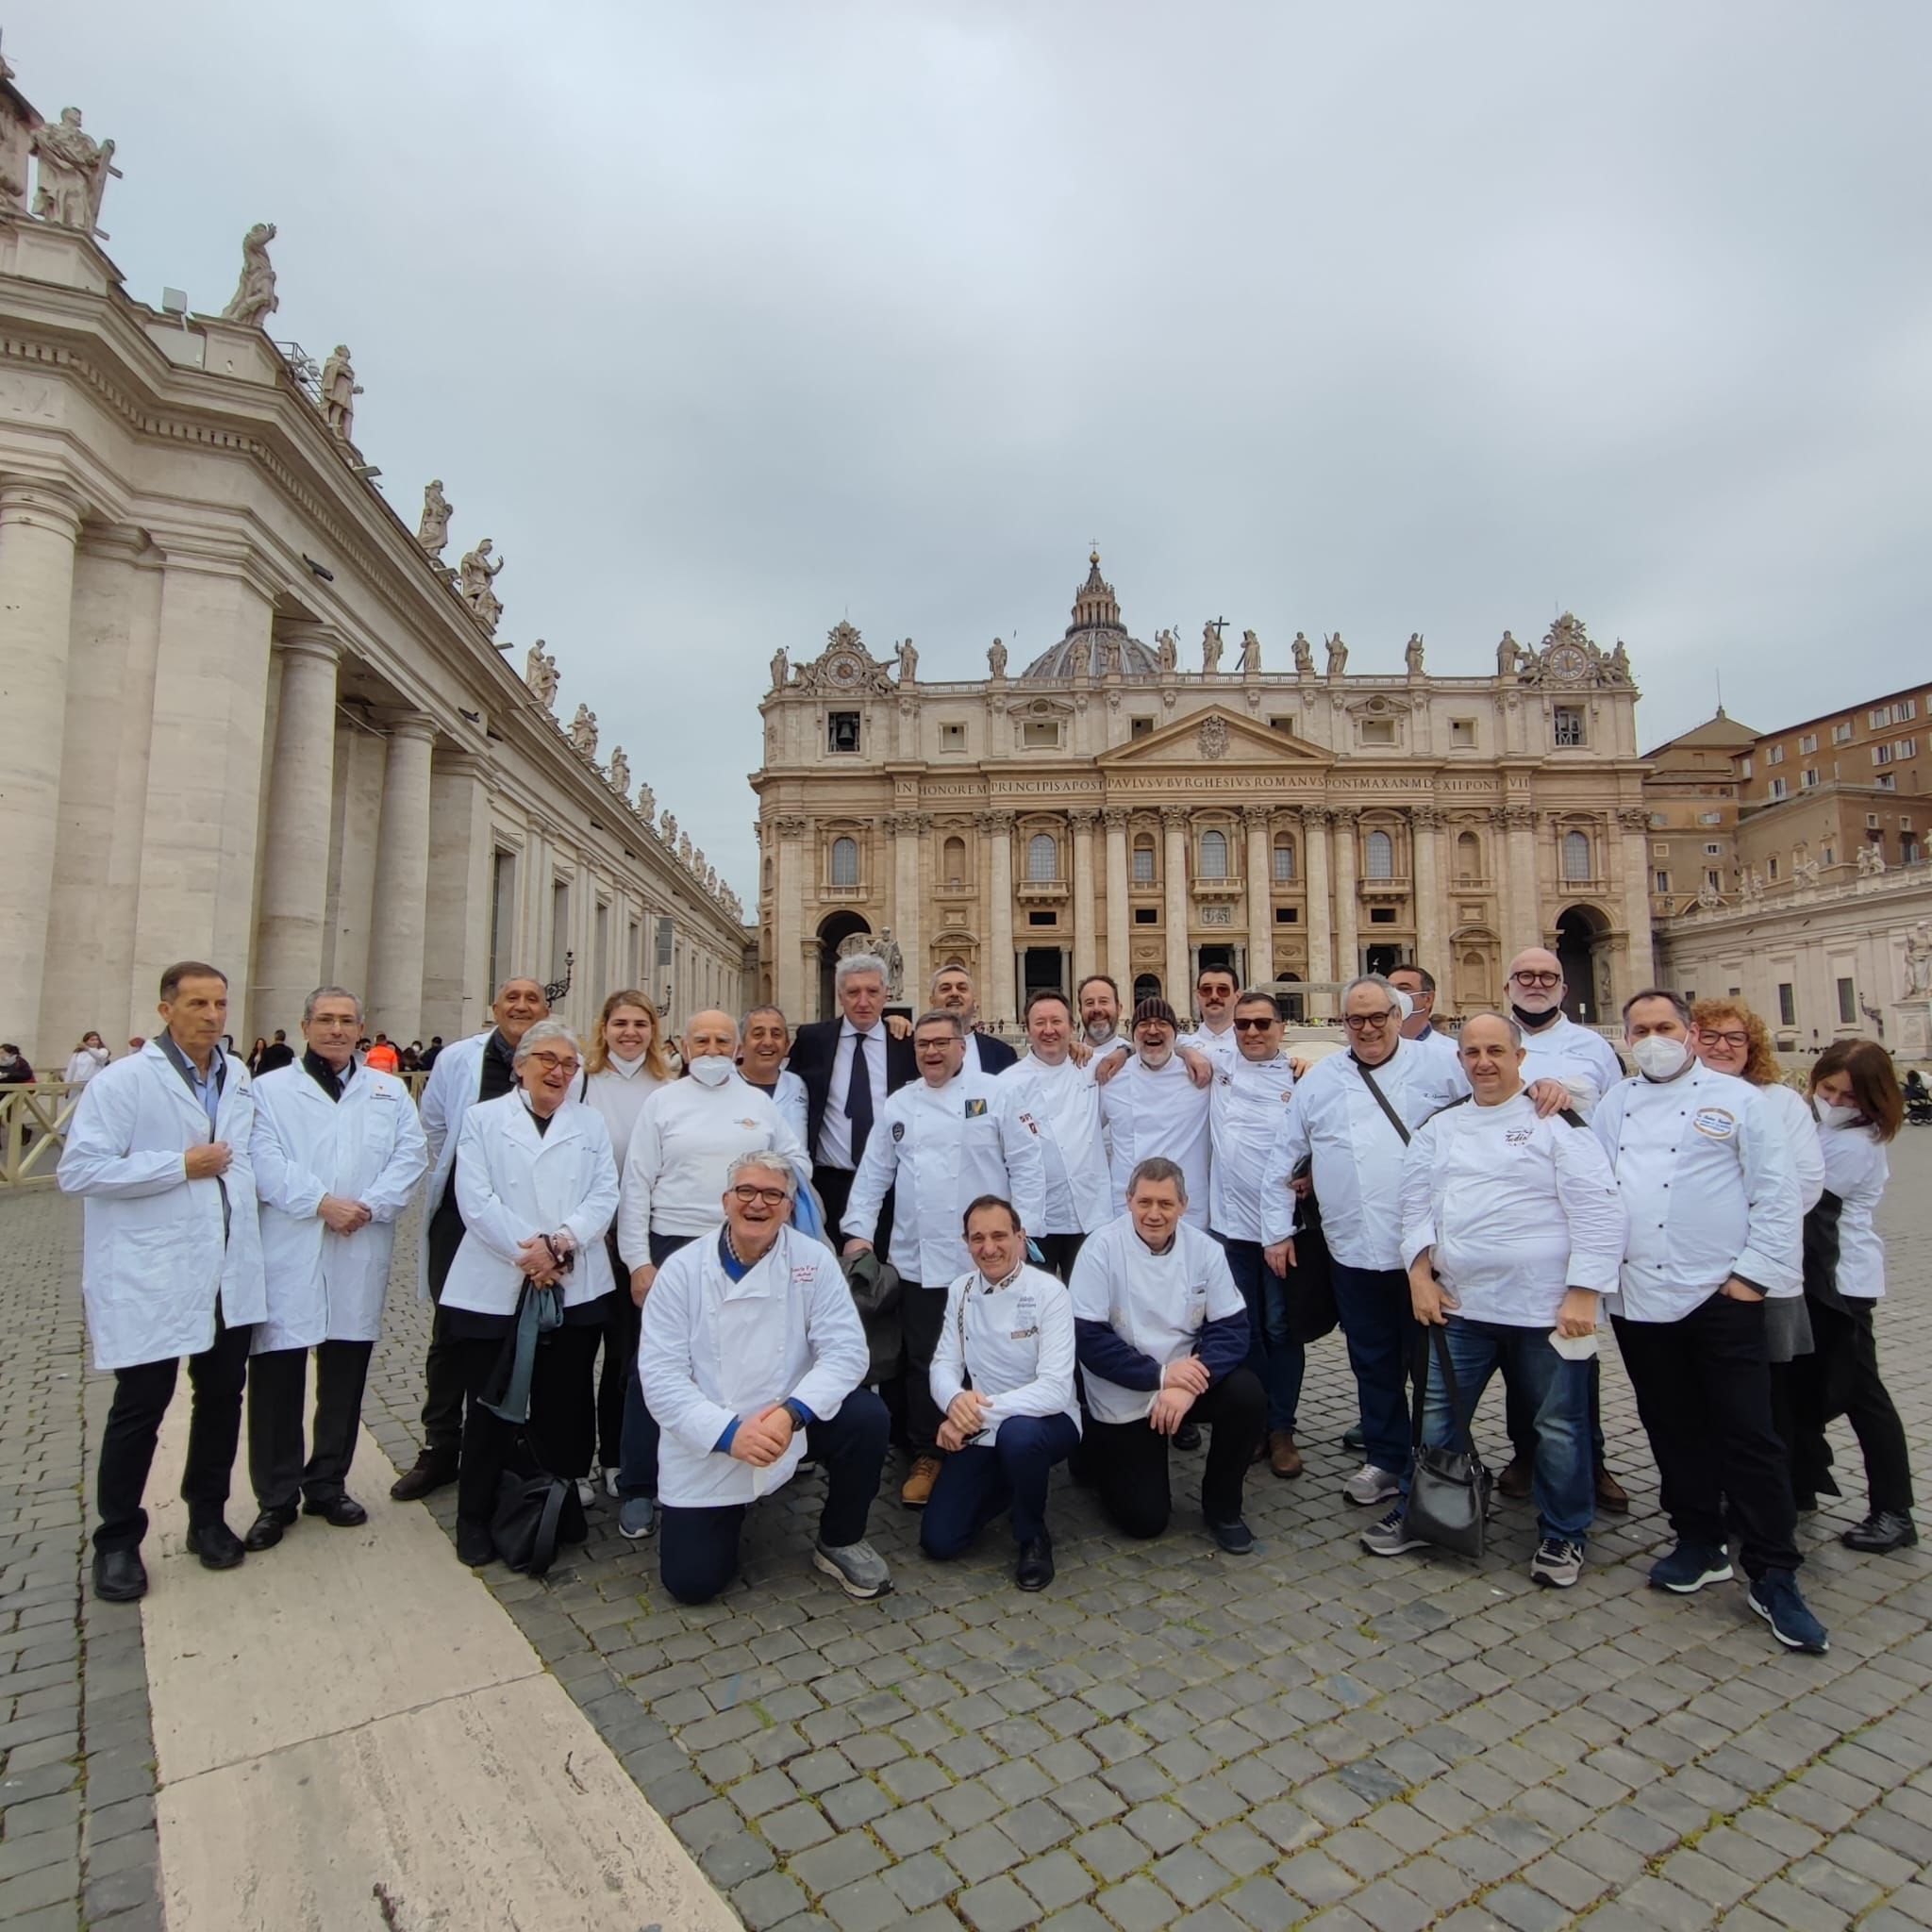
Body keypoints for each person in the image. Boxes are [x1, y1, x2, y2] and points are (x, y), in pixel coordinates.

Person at [1593, 991, 1827, 1653]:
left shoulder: (1741, 1101)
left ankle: (1774, 1571)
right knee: (1671, 1424)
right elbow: (1598, 1190)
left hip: (1720, 1295)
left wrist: (1752, 1277)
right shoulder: (1616, 1103)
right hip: (1639, 1295)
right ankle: (1697, 1538)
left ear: (1691, 1033)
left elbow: (1777, 1194)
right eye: (1640, 1030)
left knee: (1749, 1435)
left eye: (1664, 1026)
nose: (1652, 1038)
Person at [1368, 1013, 1625, 1587]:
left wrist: (1584, 1294)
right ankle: (1430, 1511)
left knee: (1558, 1426)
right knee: (1436, 1417)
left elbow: (1599, 1209)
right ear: (1459, 1059)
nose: (1484, 1063)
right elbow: (1415, 1205)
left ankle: (1564, 1532)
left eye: (1495, 1052)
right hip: (1461, 1306)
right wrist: (1418, 1274)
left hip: (1547, 1309)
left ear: (1520, 1058)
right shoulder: (1442, 1126)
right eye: (1472, 1053)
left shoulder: (1557, 1121)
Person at [58, 962, 265, 1601]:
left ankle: (207, 1517)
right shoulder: (123, 1082)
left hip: (226, 1265)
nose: (211, 1015)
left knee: (221, 1397)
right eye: (197, 1003)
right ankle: (118, 1539)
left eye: (220, 1003)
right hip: (154, 1268)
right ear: (165, 1009)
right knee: (141, 1406)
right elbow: (80, 1170)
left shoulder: (238, 1076)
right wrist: (178, 1165)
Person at [640, 1153, 891, 1605]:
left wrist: (791, 1414)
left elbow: (847, 1352)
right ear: (726, 1201)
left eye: (773, 1194)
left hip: (786, 1422)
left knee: (867, 1416)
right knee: (691, 1583)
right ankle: (726, 1513)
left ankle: (840, 1538)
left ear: (789, 1207)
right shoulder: (681, 1272)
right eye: (746, 1192)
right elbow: (660, 1379)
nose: (758, 1203)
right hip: (712, 1439)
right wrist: (730, 1435)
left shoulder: (813, 1260)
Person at [1260, 974, 1470, 1507]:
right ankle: (1385, 1457)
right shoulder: (1322, 1080)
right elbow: (1283, 1159)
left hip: (1427, 1250)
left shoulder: (1442, 1067)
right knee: (1371, 1360)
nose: (1368, 1029)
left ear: (1399, 1017)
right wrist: (1277, 1232)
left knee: (1434, 1365)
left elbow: (1493, 1106)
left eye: (1379, 1017)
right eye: (1356, 1019)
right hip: (1351, 1247)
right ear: (1343, 1023)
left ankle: (1438, 1461)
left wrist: (1543, 1088)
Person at [243, 985, 427, 1550]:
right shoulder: (269, 1090)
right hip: (293, 1244)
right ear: (304, 1027)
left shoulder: (386, 1090)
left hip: (359, 1244)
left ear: (361, 1028)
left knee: (344, 1378)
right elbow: (262, 1157)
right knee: (277, 1381)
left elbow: (411, 1153)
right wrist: (321, 1202)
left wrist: (369, 1205)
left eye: (347, 1020)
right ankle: (275, 1499)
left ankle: (327, 1482)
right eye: (325, 1020)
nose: (336, 1030)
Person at [614, 1010, 809, 1539]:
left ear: (739, 1047)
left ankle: (741, 1466)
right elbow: (635, 1187)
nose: (712, 1049)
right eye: (702, 1040)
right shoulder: (662, 1102)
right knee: (651, 1368)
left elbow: (796, 1162)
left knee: (737, 1362)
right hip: (673, 1245)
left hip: (744, 1244)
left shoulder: (757, 1103)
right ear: (683, 1044)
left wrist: (769, 1183)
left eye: (723, 1040)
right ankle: (638, 1483)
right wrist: (639, 1262)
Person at [842, 1009, 1046, 1507]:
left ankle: (991, 1445)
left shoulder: (997, 1093)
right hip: (920, 1256)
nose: (931, 1052)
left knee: (994, 1356)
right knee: (924, 1358)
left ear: (961, 1045)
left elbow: (1027, 1164)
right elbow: (874, 1175)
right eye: (922, 1045)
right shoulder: (899, 1104)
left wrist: (1025, 1234)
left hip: (989, 1255)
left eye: (941, 1043)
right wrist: (857, 1235)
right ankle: (927, 1450)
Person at [441, 1019, 618, 1568]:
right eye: (547, 1060)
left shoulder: (589, 1123)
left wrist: (561, 1242)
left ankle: (554, 1504)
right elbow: (475, 1199)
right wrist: (532, 1255)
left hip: (575, 1281)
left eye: (569, 1065)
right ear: (520, 1065)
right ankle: (475, 1513)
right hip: (496, 1286)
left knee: (565, 1403)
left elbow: (604, 1192)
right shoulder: (482, 1119)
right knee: (492, 1405)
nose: (559, 1072)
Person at [391, 975, 550, 1502]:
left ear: (545, 1011)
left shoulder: (561, 1059)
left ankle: (507, 1439)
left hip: (531, 1224)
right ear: (494, 1007)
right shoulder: (461, 1059)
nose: (521, 1006)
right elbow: (435, 1124)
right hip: (462, 1219)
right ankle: (441, 1445)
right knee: (451, 1333)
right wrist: (469, 1181)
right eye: (512, 998)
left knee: (521, 1330)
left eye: (532, 1000)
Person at [1070, 1158, 1265, 1551]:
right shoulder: (1100, 1248)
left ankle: (1223, 1507)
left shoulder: (1206, 1250)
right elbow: (1088, 1338)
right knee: (1145, 1521)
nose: (1153, 1214)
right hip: (1127, 1386)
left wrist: (1190, 1383)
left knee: (1248, 1396)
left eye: (1165, 1204)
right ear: (1128, 1201)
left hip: (1185, 1380)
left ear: (1184, 1205)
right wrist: (1161, 1377)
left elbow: (1231, 1329)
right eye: (1144, 1202)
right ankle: (1095, 1447)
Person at [923, 1195, 1079, 1590]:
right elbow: (943, 1364)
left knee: (1019, 1437)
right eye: (977, 1238)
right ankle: (1012, 1483)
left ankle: (1033, 1536)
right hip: (982, 1423)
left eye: (998, 1236)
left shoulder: (1049, 1292)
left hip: (1047, 1422)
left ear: (1020, 1236)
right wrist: (956, 1402)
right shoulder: (961, 1290)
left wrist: (975, 1414)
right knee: (939, 1541)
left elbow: (1056, 1390)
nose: (988, 1248)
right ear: (966, 1242)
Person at [1793, 1041, 1913, 1552]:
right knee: (1803, 1385)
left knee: (1862, 1394)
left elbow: (1802, 1207)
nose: (1837, 1102)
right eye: (1828, 1089)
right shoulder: (1826, 1126)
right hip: (1814, 1277)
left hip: (1840, 1284)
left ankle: (1894, 1510)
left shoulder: (1854, 1143)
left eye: (1850, 1096)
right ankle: (1801, 1484)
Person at [1690, 999, 1824, 1379]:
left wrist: (1744, 1250)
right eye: (1710, 1036)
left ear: (1752, 1046)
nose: (1722, 1046)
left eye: (1735, 1037)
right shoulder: (1670, 1099)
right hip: (1690, 1273)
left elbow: (1805, 1186)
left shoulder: (1781, 1101)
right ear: (1691, 1040)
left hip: (1759, 1275)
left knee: (1770, 1396)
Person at [578, 990, 673, 1502]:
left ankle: (619, 1455)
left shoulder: (667, 1085)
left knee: (627, 1354)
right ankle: (578, 1458)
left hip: (644, 1238)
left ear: (652, 1031)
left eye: (640, 1024)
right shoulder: (583, 1082)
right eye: (621, 1024)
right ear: (605, 1028)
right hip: (591, 1235)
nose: (630, 1033)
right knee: (579, 1349)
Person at [1209, 990, 1305, 1478]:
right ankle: (1253, 1421)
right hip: (1230, 1229)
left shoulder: (1305, 1077)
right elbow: (1153, 1039)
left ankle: (1281, 1426)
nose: (1252, 1032)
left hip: (1281, 1231)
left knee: (1281, 1328)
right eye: (1243, 1024)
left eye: (1263, 1024)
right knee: (1243, 1329)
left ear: (1281, 1028)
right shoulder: (1218, 1064)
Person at [784, 953, 915, 1242]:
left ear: (886, 995)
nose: (863, 1001)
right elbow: (786, 1092)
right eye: (853, 992)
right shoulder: (813, 1040)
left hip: (892, 1183)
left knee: (886, 1275)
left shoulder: (906, 1044)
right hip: (829, 1181)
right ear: (840, 996)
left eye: (872, 992)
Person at [996, 990, 1111, 1279]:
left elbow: (1140, 1051)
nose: (1049, 1030)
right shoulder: (1006, 1084)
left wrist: (1122, 1051)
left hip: (1090, 1213)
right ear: (1027, 1028)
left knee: (1090, 1308)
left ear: (1072, 1027)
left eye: (1057, 1022)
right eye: (1040, 1023)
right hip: (1036, 1219)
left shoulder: (1093, 1067)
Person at [1097, 999, 1215, 1227]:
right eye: (1144, 1024)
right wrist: (1124, 1050)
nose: (1153, 1030)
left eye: (1162, 1023)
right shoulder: (1110, 1075)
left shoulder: (1202, 1073)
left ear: (1175, 1033)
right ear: (1133, 1034)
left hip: (1186, 1209)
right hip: (1128, 1207)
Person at [737, 1005, 809, 1143]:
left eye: (776, 1035)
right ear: (742, 1045)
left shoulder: (798, 1085)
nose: (768, 1042)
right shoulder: (724, 1085)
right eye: (758, 1034)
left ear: (787, 1044)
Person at [931, 963, 1019, 1074]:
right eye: (945, 989)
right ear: (932, 1000)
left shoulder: (1002, 1053)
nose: (954, 993)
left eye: (962, 988)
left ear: (974, 1001)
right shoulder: (909, 1050)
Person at [1389, 967, 1462, 1093]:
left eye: (1403, 988)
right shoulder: (1368, 1054)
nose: (1394, 995)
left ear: (1428, 999)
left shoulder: (1456, 1055)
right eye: (1389, 989)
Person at [1179, 965, 1242, 1077]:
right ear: (1198, 996)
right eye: (1206, 990)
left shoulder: (1252, 1046)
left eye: (1223, 990)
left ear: (1237, 996)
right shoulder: (1181, 1044)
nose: (1214, 996)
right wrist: (1184, 1052)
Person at [1076, 974, 1124, 1051]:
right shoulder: (1064, 1057)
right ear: (1080, 1011)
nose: (1097, 1009)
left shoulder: (1135, 1059)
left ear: (1119, 1009)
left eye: (1103, 1001)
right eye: (1090, 1003)